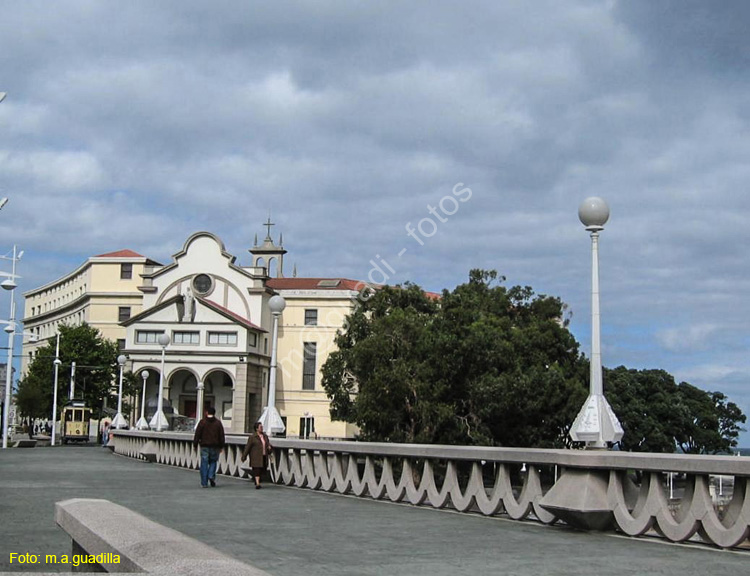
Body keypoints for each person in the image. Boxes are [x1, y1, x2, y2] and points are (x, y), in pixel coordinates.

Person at [193, 406, 225, 488]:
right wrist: (221, 446)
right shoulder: (218, 423)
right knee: (213, 462)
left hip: (204, 446)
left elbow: (197, 434)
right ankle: (211, 475)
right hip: (215, 446)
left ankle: (204, 483)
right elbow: (221, 436)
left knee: (204, 463)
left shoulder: (202, 422)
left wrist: (195, 444)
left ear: (207, 413)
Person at [241, 422, 273, 489]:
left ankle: (256, 480)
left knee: (262, 469)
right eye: (260, 427)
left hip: (264, 455)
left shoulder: (265, 436)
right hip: (256, 456)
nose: (262, 428)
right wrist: (244, 456)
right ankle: (257, 484)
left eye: (262, 427)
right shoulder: (252, 437)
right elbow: (248, 447)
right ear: (256, 429)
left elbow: (268, 444)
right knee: (257, 469)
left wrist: (270, 448)